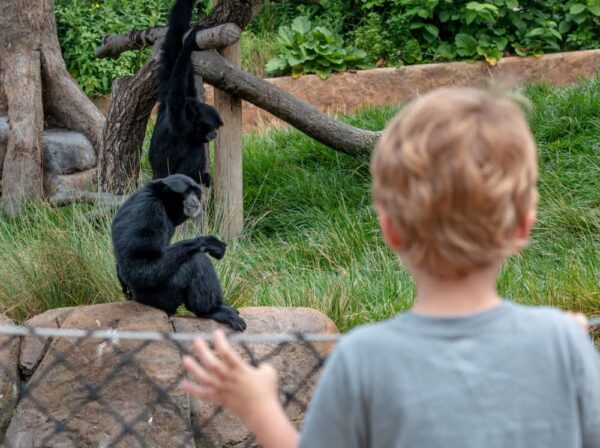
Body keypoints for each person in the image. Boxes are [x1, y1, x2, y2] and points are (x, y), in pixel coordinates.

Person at [180, 87, 600, 448]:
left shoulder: (364, 359)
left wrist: (259, 408)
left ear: (390, 228)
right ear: (524, 224)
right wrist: (561, 342)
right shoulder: (563, 343)